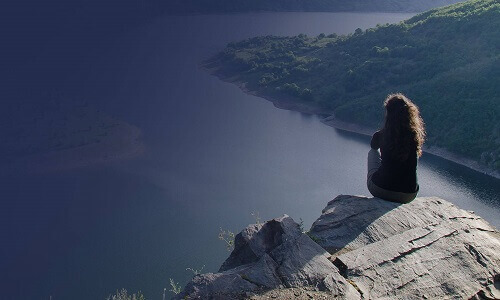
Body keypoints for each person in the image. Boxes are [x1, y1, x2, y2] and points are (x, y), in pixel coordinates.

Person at [367, 93, 426, 203]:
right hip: (409, 194)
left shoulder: (382, 135)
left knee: (372, 152)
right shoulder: (414, 135)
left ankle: (382, 176)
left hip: (382, 189)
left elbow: (373, 146)